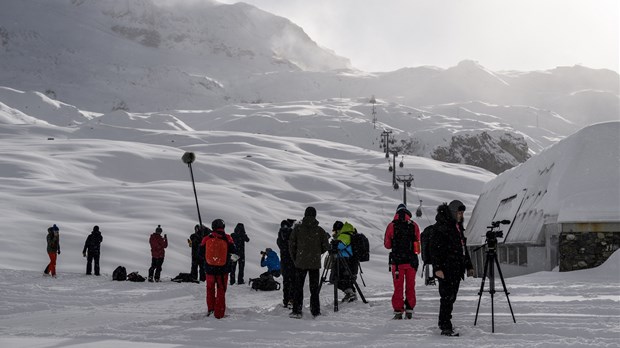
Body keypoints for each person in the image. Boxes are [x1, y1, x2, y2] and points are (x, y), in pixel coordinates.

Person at [431, 200, 475, 336]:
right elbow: (435, 249)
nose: (461, 215)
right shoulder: (442, 227)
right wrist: (437, 268)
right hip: (445, 268)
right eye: (459, 212)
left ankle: (444, 322)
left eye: (462, 213)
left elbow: (462, 248)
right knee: (447, 297)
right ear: (452, 212)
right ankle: (445, 326)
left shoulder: (457, 227)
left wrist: (469, 265)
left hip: (456, 268)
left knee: (451, 297)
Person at [288, 206, 329, 319]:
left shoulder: (297, 229)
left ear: (305, 214)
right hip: (314, 263)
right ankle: (315, 311)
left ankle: (297, 311)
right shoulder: (320, 230)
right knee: (314, 289)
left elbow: (291, 246)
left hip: (300, 263)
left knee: (298, 288)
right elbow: (326, 246)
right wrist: (316, 252)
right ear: (315, 215)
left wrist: (296, 258)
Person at [384, 204, 421, 320]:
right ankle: (409, 309)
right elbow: (417, 245)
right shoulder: (414, 225)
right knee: (410, 286)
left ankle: (398, 311)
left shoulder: (391, 226)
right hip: (411, 262)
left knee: (398, 287)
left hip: (397, 263)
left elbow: (387, 245)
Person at [201, 218, 238, 319]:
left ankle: (210, 309)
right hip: (223, 270)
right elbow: (235, 253)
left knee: (210, 290)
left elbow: (200, 253)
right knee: (221, 290)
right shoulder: (227, 238)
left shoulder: (207, 238)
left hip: (209, 270)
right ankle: (219, 313)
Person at [333, 221, 359, 302]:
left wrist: (334, 243)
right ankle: (350, 294)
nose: (334, 233)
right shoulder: (350, 234)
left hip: (344, 261)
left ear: (338, 230)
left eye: (334, 231)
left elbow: (340, 246)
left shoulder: (344, 235)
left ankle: (350, 294)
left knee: (338, 279)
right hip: (350, 261)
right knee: (347, 279)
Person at [276, 219, 296, 308]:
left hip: (284, 262)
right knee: (293, 281)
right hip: (292, 262)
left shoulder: (279, 237)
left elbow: (280, 245)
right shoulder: (292, 234)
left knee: (286, 282)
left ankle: (285, 300)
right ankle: (292, 299)